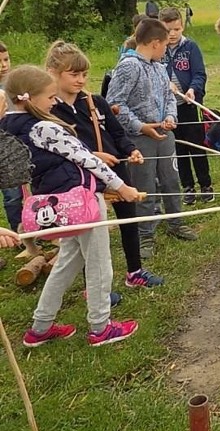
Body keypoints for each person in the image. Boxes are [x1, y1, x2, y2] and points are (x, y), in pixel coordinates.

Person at [1, 65, 140, 347]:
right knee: (100, 261)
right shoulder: (43, 127)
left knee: (68, 261)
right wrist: (121, 187)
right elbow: (86, 159)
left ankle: (40, 327)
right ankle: (101, 326)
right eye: (50, 97)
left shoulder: (7, 126)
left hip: (56, 203)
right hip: (80, 201)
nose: (54, 102)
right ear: (27, 98)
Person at [46, 41, 164, 289]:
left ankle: (135, 272)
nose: (80, 80)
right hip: (81, 178)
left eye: (84, 75)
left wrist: (131, 150)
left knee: (128, 219)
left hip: (115, 171)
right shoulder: (50, 111)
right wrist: (94, 155)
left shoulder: (94, 102)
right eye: (74, 74)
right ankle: (95, 288)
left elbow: (117, 133)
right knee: (91, 234)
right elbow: (56, 150)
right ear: (53, 73)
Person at [107, 17, 197, 258]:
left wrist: (170, 116)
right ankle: (145, 233)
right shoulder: (128, 66)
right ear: (155, 43)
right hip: (140, 139)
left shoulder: (159, 67)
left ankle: (176, 222)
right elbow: (114, 103)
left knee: (170, 180)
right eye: (165, 45)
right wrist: (140, 126)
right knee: (145, 186)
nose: (167, 49)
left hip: (164, 135)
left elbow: (170, 96)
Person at [159, 8, 213, 206]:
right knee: (178, 148)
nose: (172, 34)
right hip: (168, 110)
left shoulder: (191, 47)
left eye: (177, 28)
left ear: (182, 27)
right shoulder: (158, 49)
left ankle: (206, 185)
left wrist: (192, 89)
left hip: (188, 104)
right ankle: (187, 186)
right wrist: (166, 84)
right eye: (168, 30)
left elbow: (199, 74)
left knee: (196, 146)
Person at [0, 41, 28, 255]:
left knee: (25, 191)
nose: (3, 65)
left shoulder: (16, 84)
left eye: (6, 60)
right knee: (11, 195)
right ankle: (14, 232)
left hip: (16, 149)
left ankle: (29, 231)